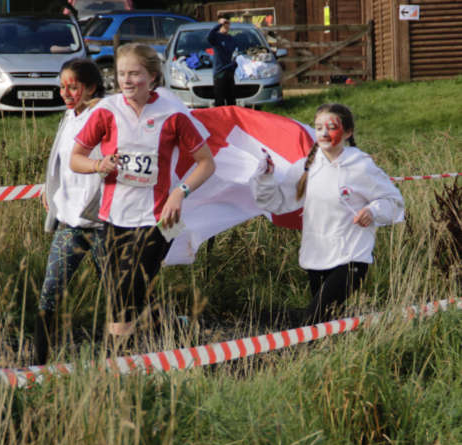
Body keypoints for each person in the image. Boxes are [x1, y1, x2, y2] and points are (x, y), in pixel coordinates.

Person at [70, 43, 215, 341]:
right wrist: (99, 164)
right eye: (121, 74)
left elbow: (206, 163)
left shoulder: (172, 113)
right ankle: (167, 325)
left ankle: (117, 360)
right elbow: (75, 159)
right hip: (113, 217)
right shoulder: (106, 111)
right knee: (120, 293)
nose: (126, 80)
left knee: (128, 289)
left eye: (134, 74)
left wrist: (180, 192)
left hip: (160, 218)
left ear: (152, 76)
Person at [250, 103, 404, 324]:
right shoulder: (306, 167)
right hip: (316, 258)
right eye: (318, 127)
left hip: (351, 258)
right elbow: (276, 202)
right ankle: (318, 352)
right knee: (323, 326)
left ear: (348, 132)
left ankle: (266, 324)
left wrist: (373, 210)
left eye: (331, 127)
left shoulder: (361, 166)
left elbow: (395, 202)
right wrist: (265, 178)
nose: (323, 133)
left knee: (311, 320)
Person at [34, 58, 106, 364]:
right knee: (49, 292)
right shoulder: (68, 116)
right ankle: (38, 365)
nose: (66, 92)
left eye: (73, 86)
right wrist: (50, 189)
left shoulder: (105, 114)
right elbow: (59, 161)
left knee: (125, 294)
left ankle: (167, 341)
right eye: (62, 86)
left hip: (105, 224)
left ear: (90, 87)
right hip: (72, 224)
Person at [207, 16, 237, 107]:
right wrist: (219, 24)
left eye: (228, 23)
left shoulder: (231, 38)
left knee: (231, 100)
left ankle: (231, 119)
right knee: (219, 101)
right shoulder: (216, 37)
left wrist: (234, 65)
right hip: (220, 72)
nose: (226, 25)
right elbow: (209, 36)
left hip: (229, 72)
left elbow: (234, 53)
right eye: (224, 23)